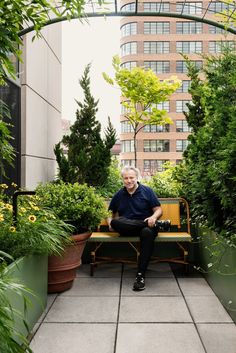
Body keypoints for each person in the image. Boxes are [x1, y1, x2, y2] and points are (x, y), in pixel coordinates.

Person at [108, 166, 163, 291]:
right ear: (122, 179)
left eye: (131, 177)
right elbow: (111, 215)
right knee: (116, 222)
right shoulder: (119, 195)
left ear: (137, 178)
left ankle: (140, 276)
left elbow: (158, 209)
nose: (129, 181)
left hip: (147, 228)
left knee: (147, 232)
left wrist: (153, 218)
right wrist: (111, 224)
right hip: (128, 228)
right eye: (126, 178)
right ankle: (156, 225)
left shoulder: (147, 191)